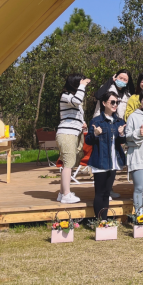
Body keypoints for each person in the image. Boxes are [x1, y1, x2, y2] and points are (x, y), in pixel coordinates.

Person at [85, 91, 126, 219]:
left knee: (107, 193)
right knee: (100, 193)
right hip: (100, 161)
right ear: (104, 103)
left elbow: (122, 141)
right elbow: (88, 141)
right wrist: (95, 134)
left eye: (117, 102)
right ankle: (100, 221)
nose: (115, 105)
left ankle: (105, 220)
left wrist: (122, 134)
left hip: (113, 162)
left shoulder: (119, 121)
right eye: (112, 102)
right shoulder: (96, 121)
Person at [56, 74, 91, 204]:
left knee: (69, 163)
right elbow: (77, 100)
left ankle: (61, 193)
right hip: (67, 134)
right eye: (81, 83)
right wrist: (82, 86)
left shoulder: (71, 98)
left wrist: (83, 124)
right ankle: (66, 194)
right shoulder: (65, 96)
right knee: (68, 164)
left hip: (73, 133)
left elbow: (75, 115)